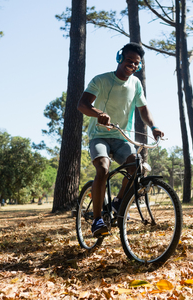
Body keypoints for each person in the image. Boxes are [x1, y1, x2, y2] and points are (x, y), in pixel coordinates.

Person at [78, 42, 164, 237]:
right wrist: (98, 113)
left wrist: (154, 127)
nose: (132, 65)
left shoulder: (136, 84)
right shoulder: (100, 80)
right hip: (99, 136)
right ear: (119, 58)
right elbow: (82, 104)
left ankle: (117, 202)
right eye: (128, 60)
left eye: (136, 63)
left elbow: (143, 109)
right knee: (103, 168)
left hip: (121, 137)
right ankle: (98, 220)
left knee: (136, 166)